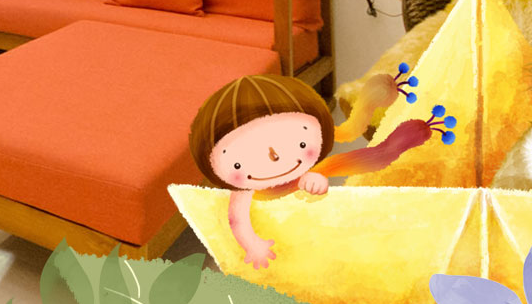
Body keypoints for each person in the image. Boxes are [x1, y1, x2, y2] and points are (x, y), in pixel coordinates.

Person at [187, 68, 453, 269]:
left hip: (309, 235)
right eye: (238, 162)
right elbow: (238, 221)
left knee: (368, 157)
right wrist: (253, 246)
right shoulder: (244, 193)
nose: (275, 158)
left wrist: (314, 181)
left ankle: (407, 134)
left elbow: (346, 135)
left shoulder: (307, 169)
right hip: (279, 245)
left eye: (299, 142)